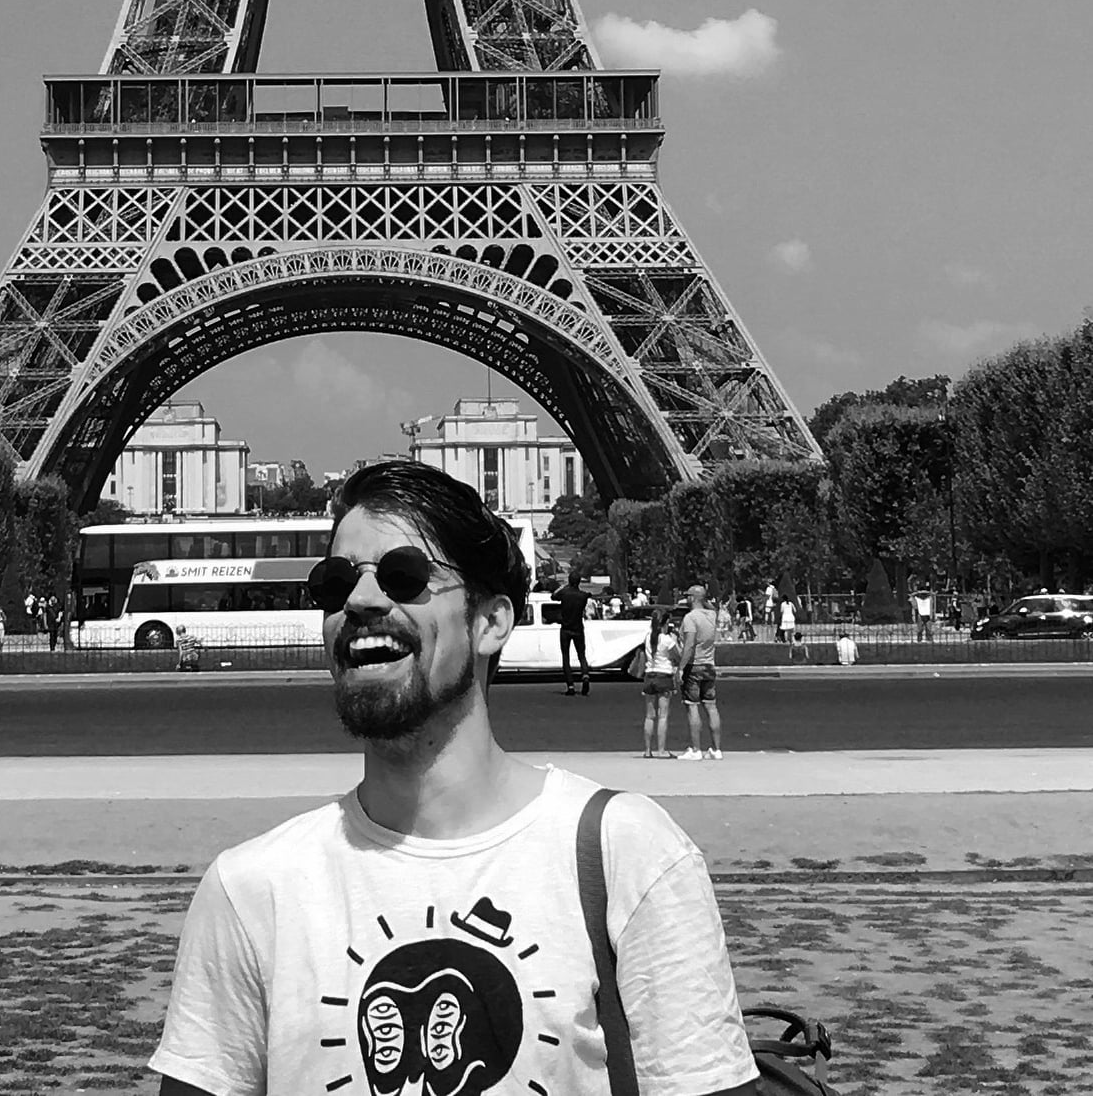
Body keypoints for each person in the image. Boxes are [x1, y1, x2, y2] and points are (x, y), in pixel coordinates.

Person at [150, 460, 759, 1096]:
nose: (359, 601)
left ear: (491, 622)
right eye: (335, 582)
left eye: (404, 576)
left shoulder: (631, 856)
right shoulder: (248, 891)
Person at [678, 583, 724, 761]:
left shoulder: (690, 618)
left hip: (694, 665)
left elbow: (689, 644)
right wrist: (704, 599)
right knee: (711, 706)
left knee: (692, 706)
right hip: (709, 664)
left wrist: (680, 668)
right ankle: (716, 749)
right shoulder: (711, 615)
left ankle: (696, 749)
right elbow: (712, 607)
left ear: (692, 598)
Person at [640, 609, 682, 758]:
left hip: (649, 675)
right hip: (664, 675)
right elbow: (678, 656)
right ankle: (661, 750)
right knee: (663, 715)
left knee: (649, 716)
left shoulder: (647, 637)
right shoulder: (666, 639)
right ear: (665, 623)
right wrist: (676, 640)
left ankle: (647, 750)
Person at [553, 569, 591, 697]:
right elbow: (587, 596)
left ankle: (570, 686)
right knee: (581, 655)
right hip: (578, 627)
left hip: (565, 628)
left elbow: (553, 596)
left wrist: (563, 587)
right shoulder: (583, 596)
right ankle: (585, 675)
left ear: (569, 581)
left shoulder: (565, 593)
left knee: (566, 657)